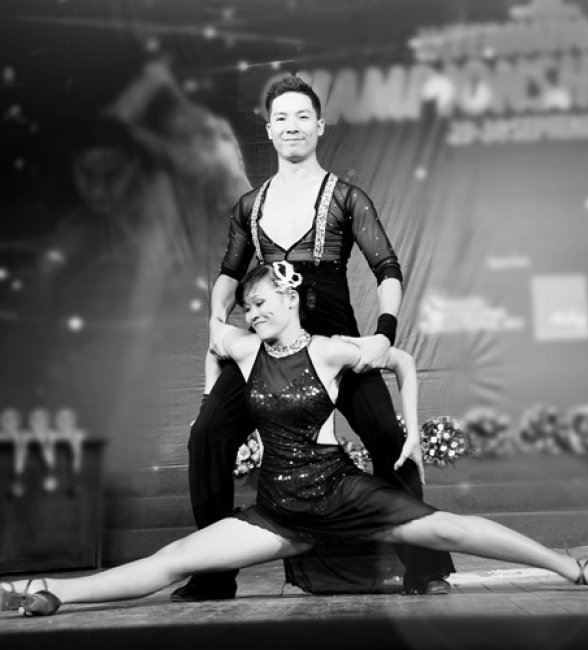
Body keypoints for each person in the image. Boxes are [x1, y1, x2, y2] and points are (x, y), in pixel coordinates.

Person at [0, 262, 588, 617]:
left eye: (261, 302)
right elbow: (213, 334)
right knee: (175, 559)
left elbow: (400, 359)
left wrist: (411, 430)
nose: (253, 313)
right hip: (280, 510)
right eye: (248, 307)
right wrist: (205, 399)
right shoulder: (244, 349)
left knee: (451, 529)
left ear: (290, 296)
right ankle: (51, 594)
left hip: (341, 493)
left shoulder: (330, 351)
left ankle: (575, 569)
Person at [177, 73, 455, 601]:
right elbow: (229, 275)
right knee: (207, 435)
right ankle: (213, 573)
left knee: (386, 436)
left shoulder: (348, 198)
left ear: (320, 126)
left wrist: (383, 334)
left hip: (334, 344)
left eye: (302, 116)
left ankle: (425, 566)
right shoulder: (250, 206)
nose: (292, 126)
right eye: (281, 118)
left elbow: (388, 270)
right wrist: (216, 319)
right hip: (272, 352)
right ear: (268, 130)